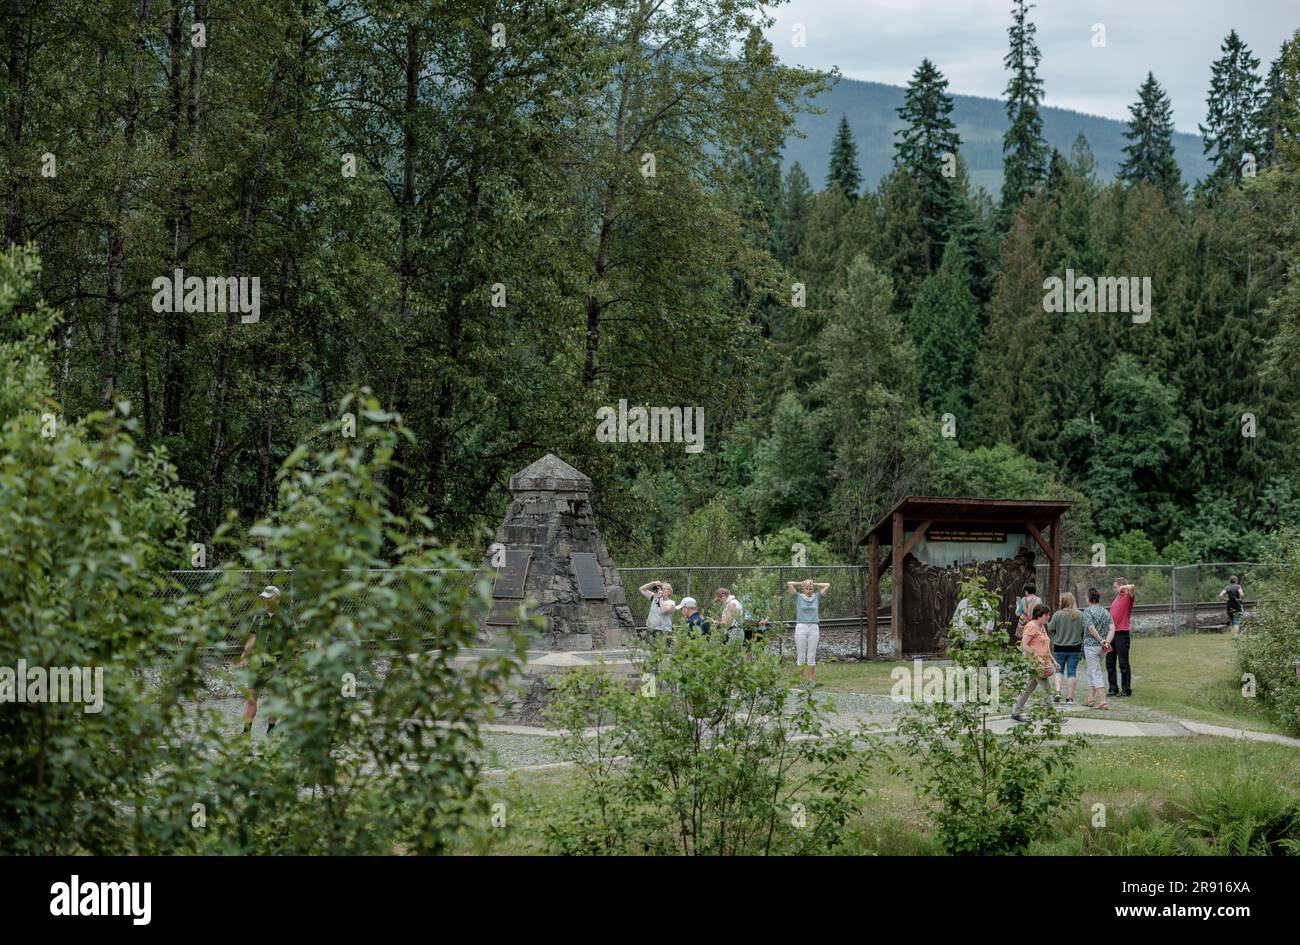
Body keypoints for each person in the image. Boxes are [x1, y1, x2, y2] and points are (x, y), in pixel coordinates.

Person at [235, 585, 296, 735]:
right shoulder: (259, 616)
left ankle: (271, 729)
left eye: (269, 598)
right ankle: (246, 731)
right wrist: (244, 655)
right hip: (258, 663)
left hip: (278, 662)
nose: (266, 601)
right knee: (251, 696)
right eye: (264, 598)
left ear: (278, 599)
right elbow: (253, 637)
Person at [1011, 604, 1059, 722]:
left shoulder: (1042, 626)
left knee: (1028, 688)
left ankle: (1015, 713)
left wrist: (1053, 660)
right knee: (1048, 688)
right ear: (1039, 615)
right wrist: (1036, 658)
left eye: (1048, 615)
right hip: (1035, 663)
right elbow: (1024, 644)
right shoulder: (1031, 626)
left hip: (1043, 663)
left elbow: (1045, 646)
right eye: (1046, 615)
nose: (1049, 617)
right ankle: (1053, 716)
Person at [786, 578, 830, 686]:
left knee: (811, 655)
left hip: (813, 627)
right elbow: (789, 584)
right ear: (803, 589)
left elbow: (827, 585)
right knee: (801, 656)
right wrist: (802, 583)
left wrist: (813, 583)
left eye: (810, 589)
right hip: (801, 627)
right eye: (806, 588)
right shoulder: (798, 597)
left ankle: (810, 680)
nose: (808, 590)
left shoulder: (817, 597)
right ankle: (800, 681)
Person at [1047, 592, 1086, 704]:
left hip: (1059, 648)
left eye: (1060, 601)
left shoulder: (1057, 615)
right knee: (1072, 672)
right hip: (1075, 648)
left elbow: (1050, 628)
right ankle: (1070, 698)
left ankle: (1058, 692)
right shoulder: (1080, 615)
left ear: (1063, 602)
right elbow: (1084, 631)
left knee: (1059, 671)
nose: (1059, 602)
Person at [1081, 587, 1113, 709]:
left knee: (1095, 672)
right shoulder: (1105, 611)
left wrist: (1100, 640)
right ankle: (1090, 699)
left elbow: (1090, 627)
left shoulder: (1087, 612)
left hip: (1091, 645)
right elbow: (1112, 628)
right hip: (1102, 648)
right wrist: (1106, 642)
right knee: (1091, 671)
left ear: (1089, 598)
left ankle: (1103, 701)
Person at [1107, 576, 1135, 697]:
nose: (1114, 589)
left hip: (1122, 633)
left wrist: (1122, 587)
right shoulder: (1117, 598)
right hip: (1112, 633)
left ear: (1121, 586)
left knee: (1123, 663)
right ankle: (1113, 688)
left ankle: (1126, 689)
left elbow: (1132, 587)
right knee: (1110, 662)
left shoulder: (1128, 596)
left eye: (1115, 587)